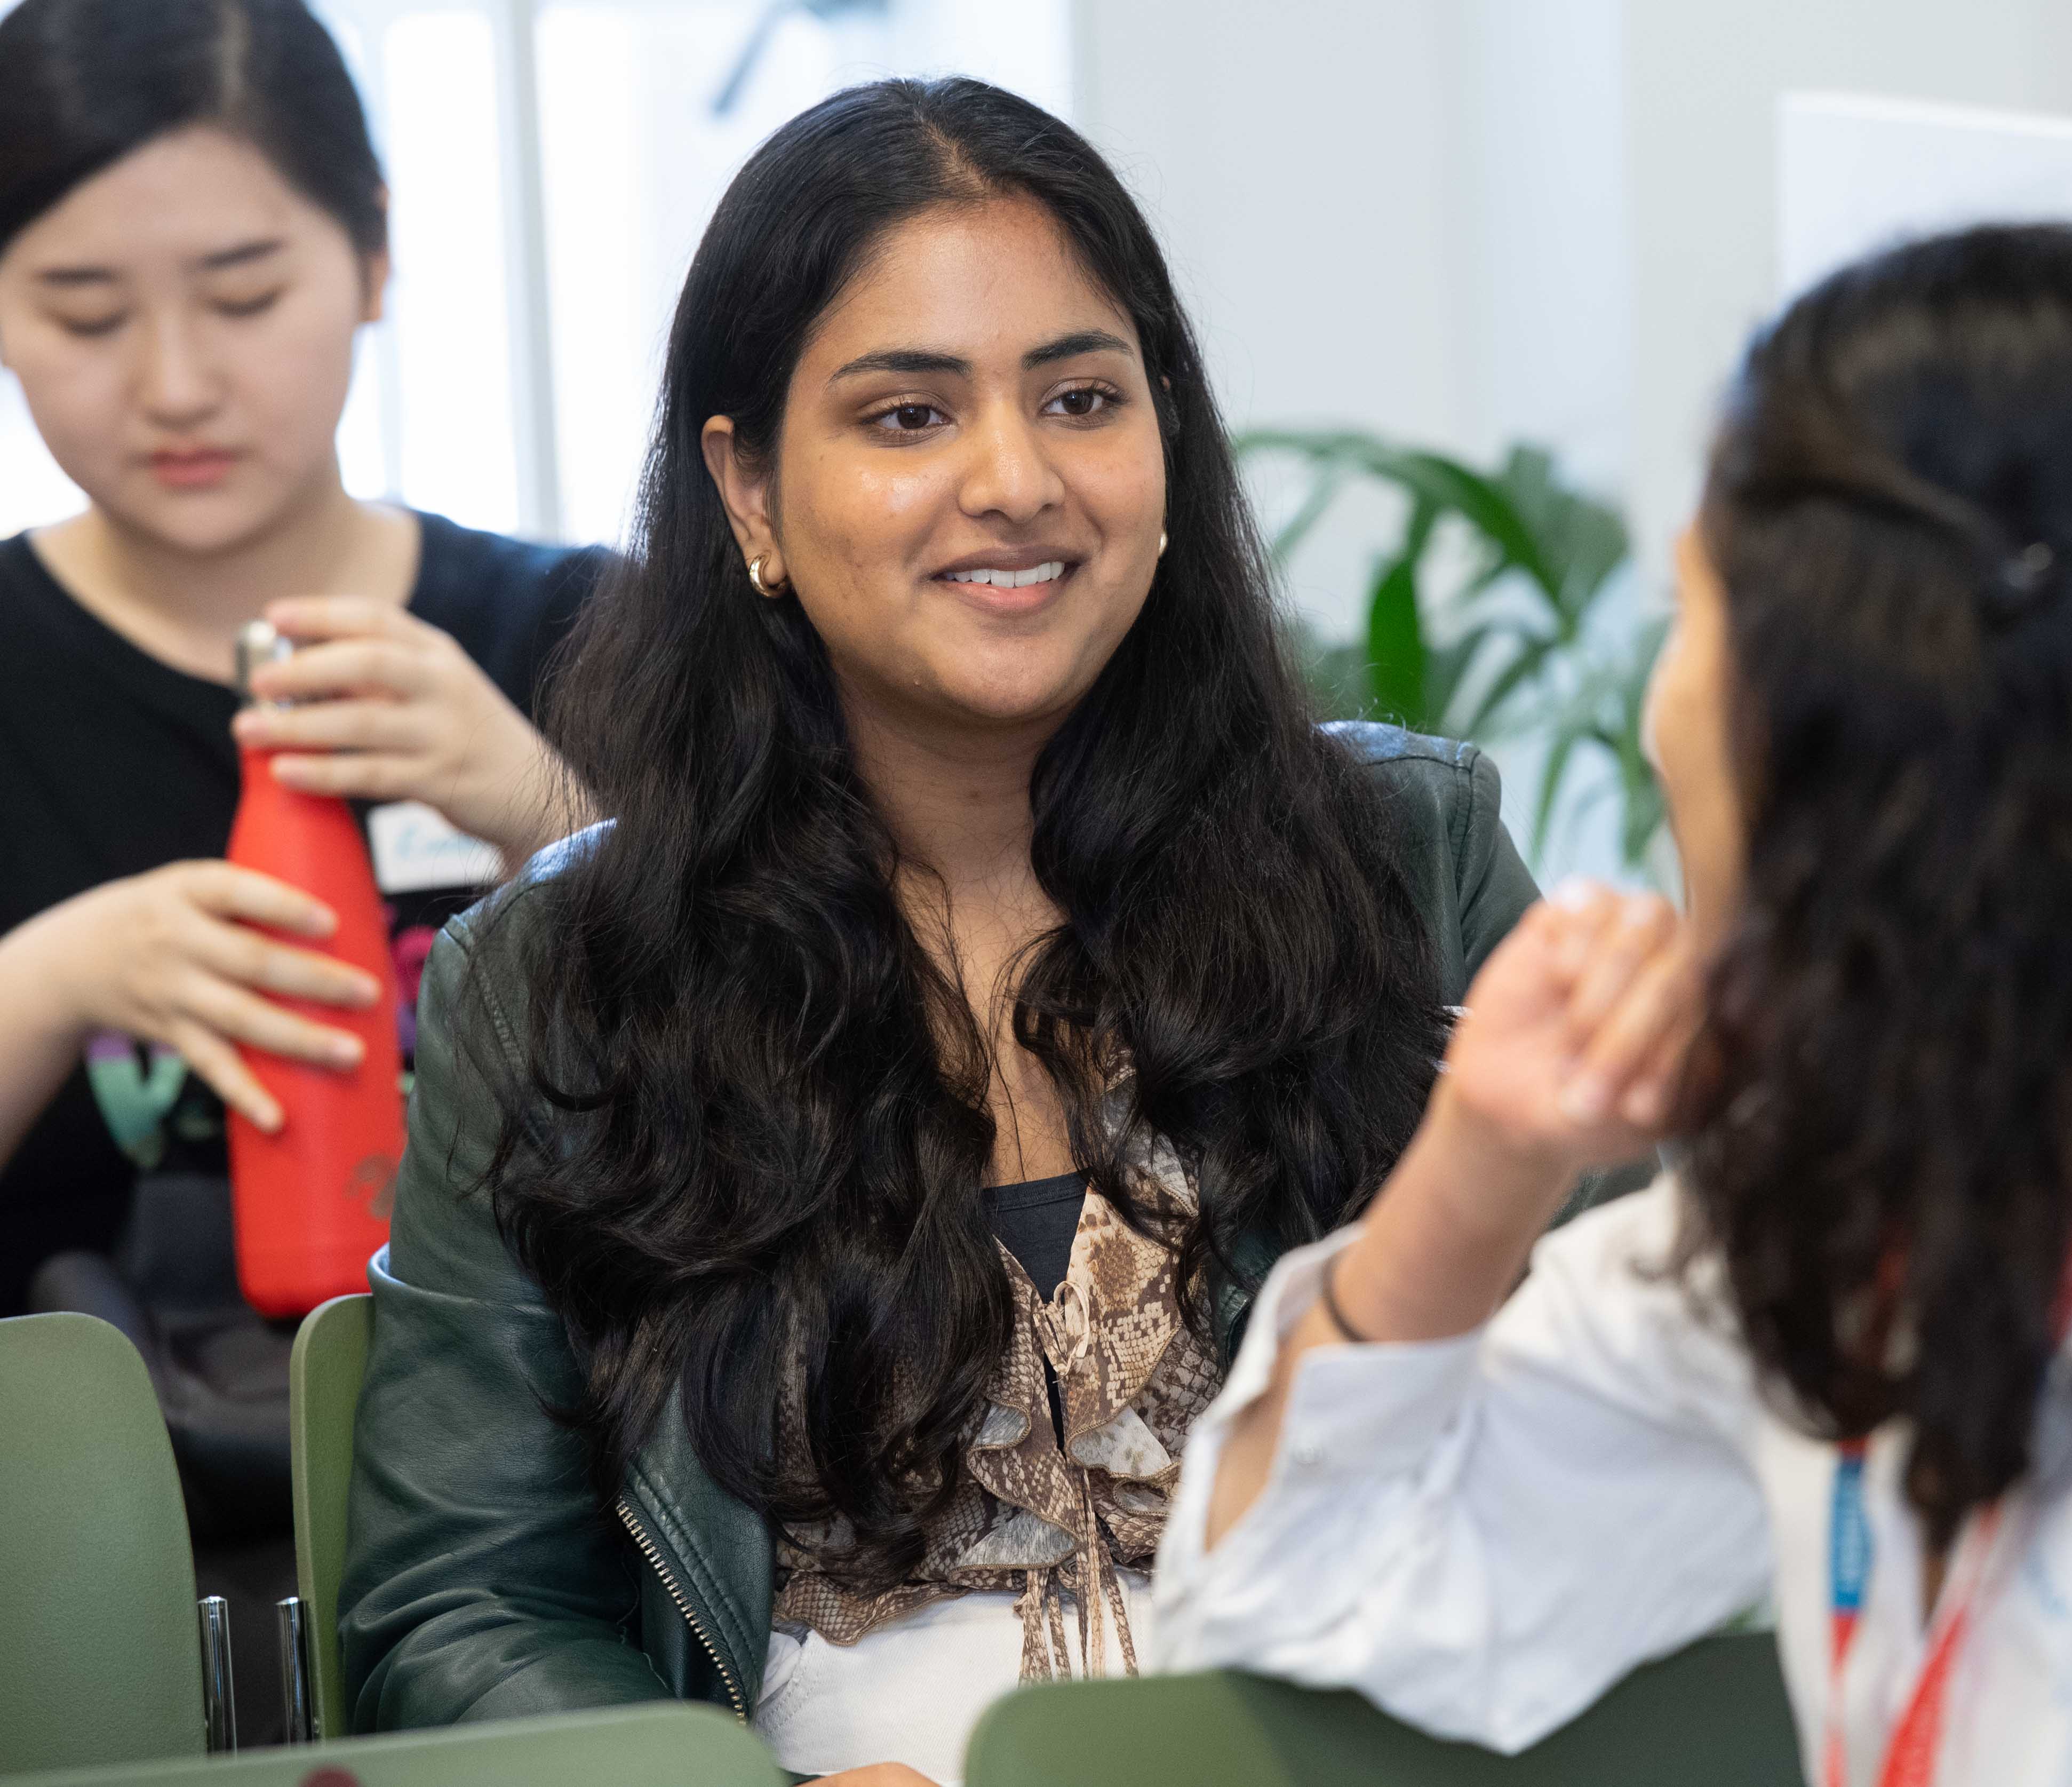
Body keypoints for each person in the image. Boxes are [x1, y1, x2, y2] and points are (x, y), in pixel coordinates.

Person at [1157, 224, 2072, 1785]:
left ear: (1851, 737)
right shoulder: (1870, 1212)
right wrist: (1481, 1165)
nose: (1659, 706)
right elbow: (1287, 1598)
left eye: (1695, 616)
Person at [337, 76, 1561, 1786]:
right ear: (749, 492)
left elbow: (1653, 1396)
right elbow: (454, 1619)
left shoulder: (1407, 864)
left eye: (1080, 396)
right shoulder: (556, 988)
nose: (1014, 481)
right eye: (907, 419)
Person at [0, 0, 595, 1742]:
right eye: (83, 313)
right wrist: (53, 979)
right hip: (78, 1578)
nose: (175, 381)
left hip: (548, 1557)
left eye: (246, 295)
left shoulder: (577, 636)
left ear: (378, 258)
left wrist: (550, 805)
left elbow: (853, 1080)